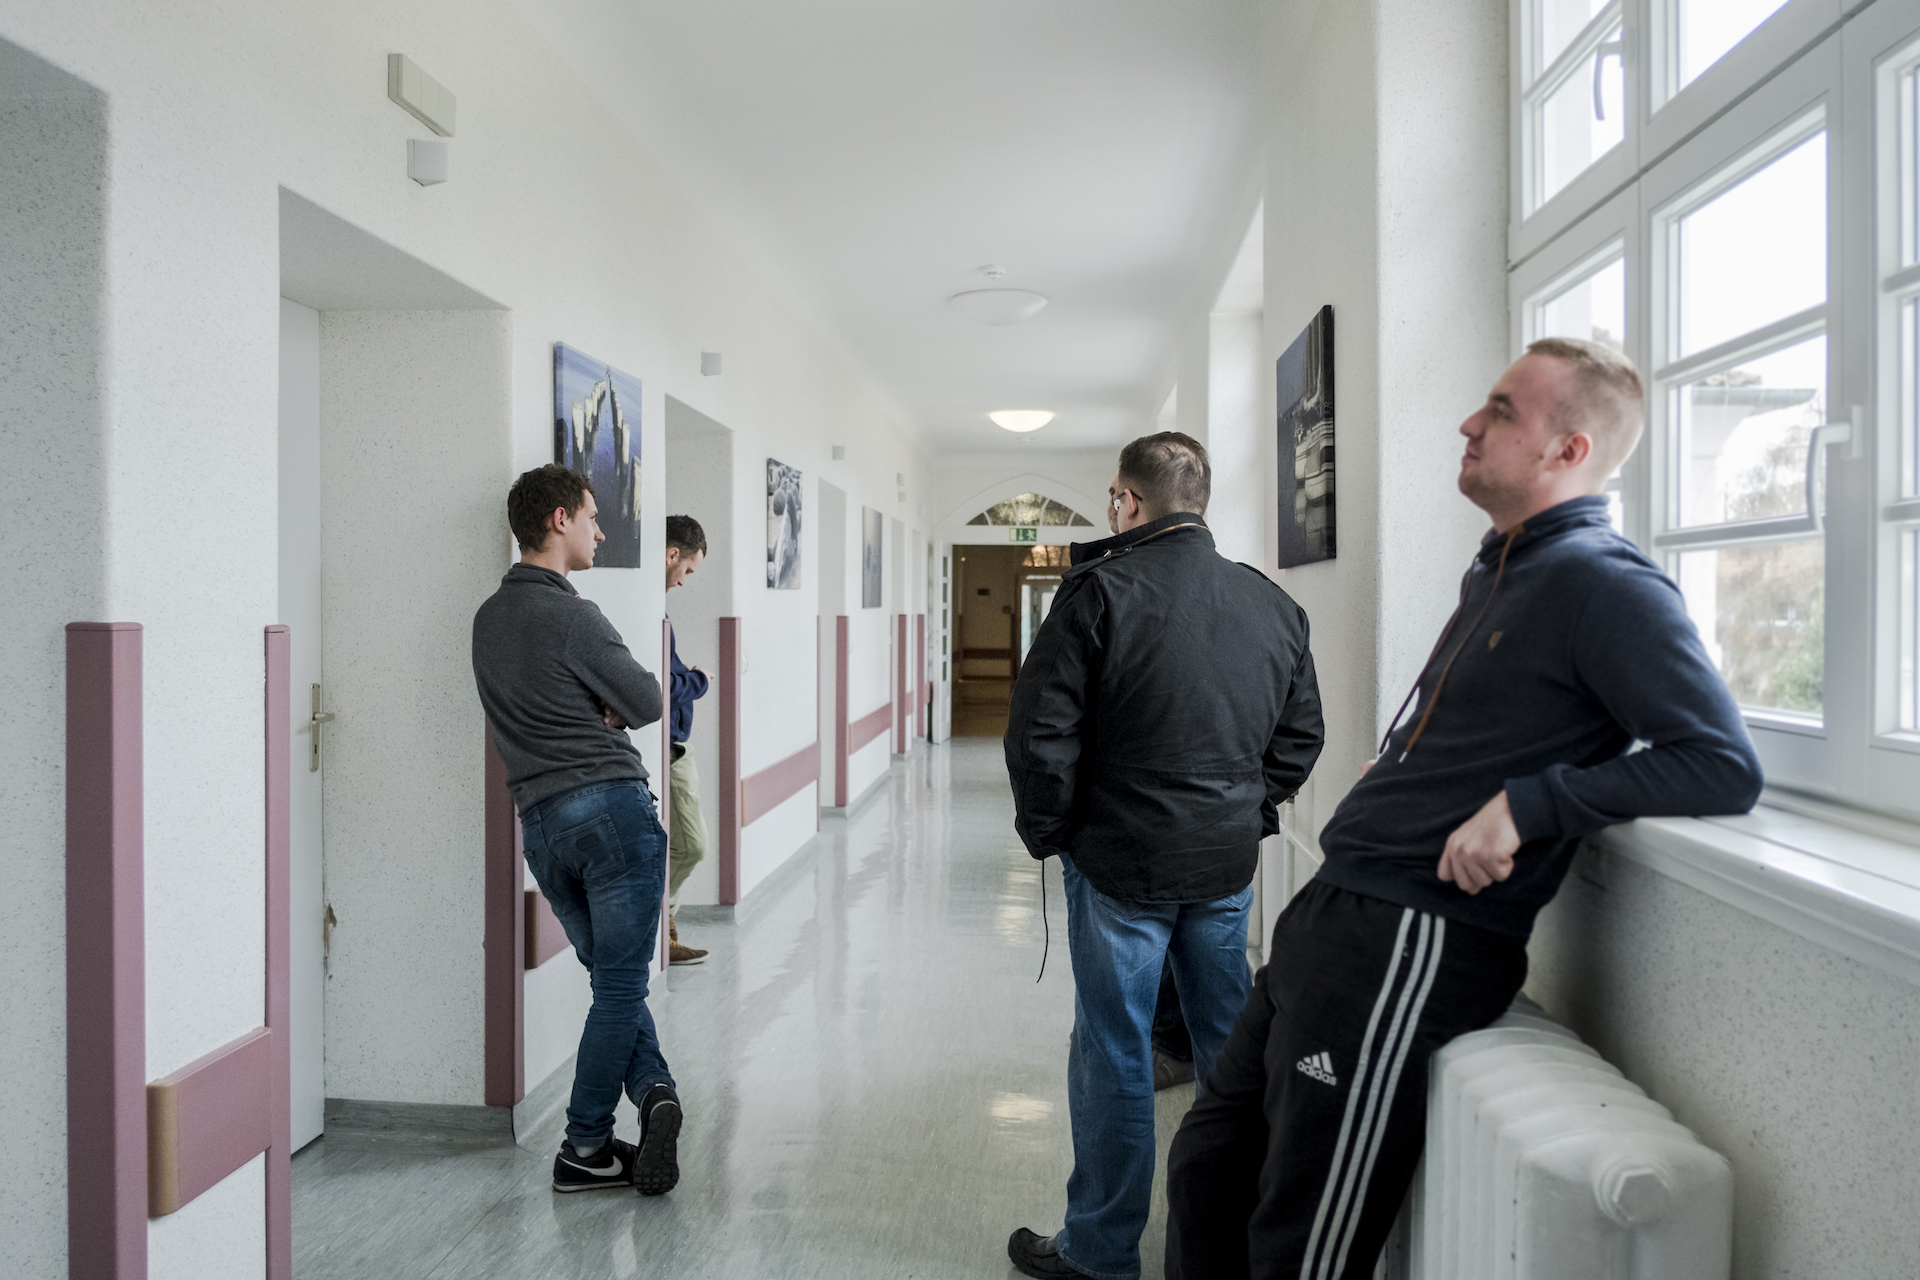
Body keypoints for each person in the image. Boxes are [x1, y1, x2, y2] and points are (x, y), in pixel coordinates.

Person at [1163, 340, 1766, 1279]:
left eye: (1501, 411)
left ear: (1568, 452)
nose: (1468, 423)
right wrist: (1403, 767)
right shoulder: (1503, 567)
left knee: (1302, 1238)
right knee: (1208, 1165)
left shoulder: (1604, 583)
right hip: (1335, 912)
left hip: (1412, 937)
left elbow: (1721, 763)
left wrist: (1531, 805)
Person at [1004, 432, 1326, 1280]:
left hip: (1120, 865)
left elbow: (1041, 733)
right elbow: (1301, 738)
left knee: (1113, 1046)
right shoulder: (1273, 605)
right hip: (1222, 864)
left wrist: (1051, 831)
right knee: (1229, 1038)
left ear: (1128, 502)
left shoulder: (1098, 592)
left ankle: (1103, 1251)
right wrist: (1248, 811)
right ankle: (1239, 1239)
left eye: (1113, 497)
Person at [470, 464, 682, 1197]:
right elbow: (650, 699)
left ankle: (655, 1094)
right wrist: (611, 710)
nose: (602, 529)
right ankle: (584, 1147)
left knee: (611, 983)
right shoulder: (572, 615)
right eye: (593, 516)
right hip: (611, 816)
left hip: (541, 827)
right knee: (622, 989)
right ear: (559, 519)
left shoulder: (489, 619)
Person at [664, 514, 712, 965]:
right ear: (672, 554)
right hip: (668, 751)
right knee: (692, 845)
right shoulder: (651, 612)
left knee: (688, 844)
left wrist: (687, 677)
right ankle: (666, 923)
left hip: (678, 746)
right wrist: (698, 680)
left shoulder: (659, 613)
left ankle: (668, 923)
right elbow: (665, 684)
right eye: (687, 571)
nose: (684, 581)